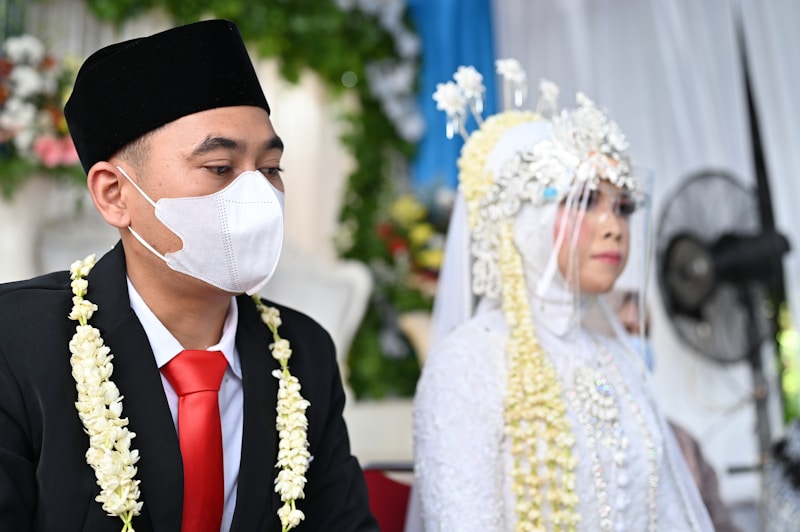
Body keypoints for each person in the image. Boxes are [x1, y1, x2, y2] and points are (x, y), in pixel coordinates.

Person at [0, 20, 377, 532]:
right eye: (220, 167)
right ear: (115, 194)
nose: (257, 196)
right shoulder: (15, 341)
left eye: (270, 169)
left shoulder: (302, 352)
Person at [411, 60, 714, 530]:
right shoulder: (469, 363)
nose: (614, 226)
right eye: (587, 200)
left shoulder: (620, 361)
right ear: (525, 217)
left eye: (623, 206)